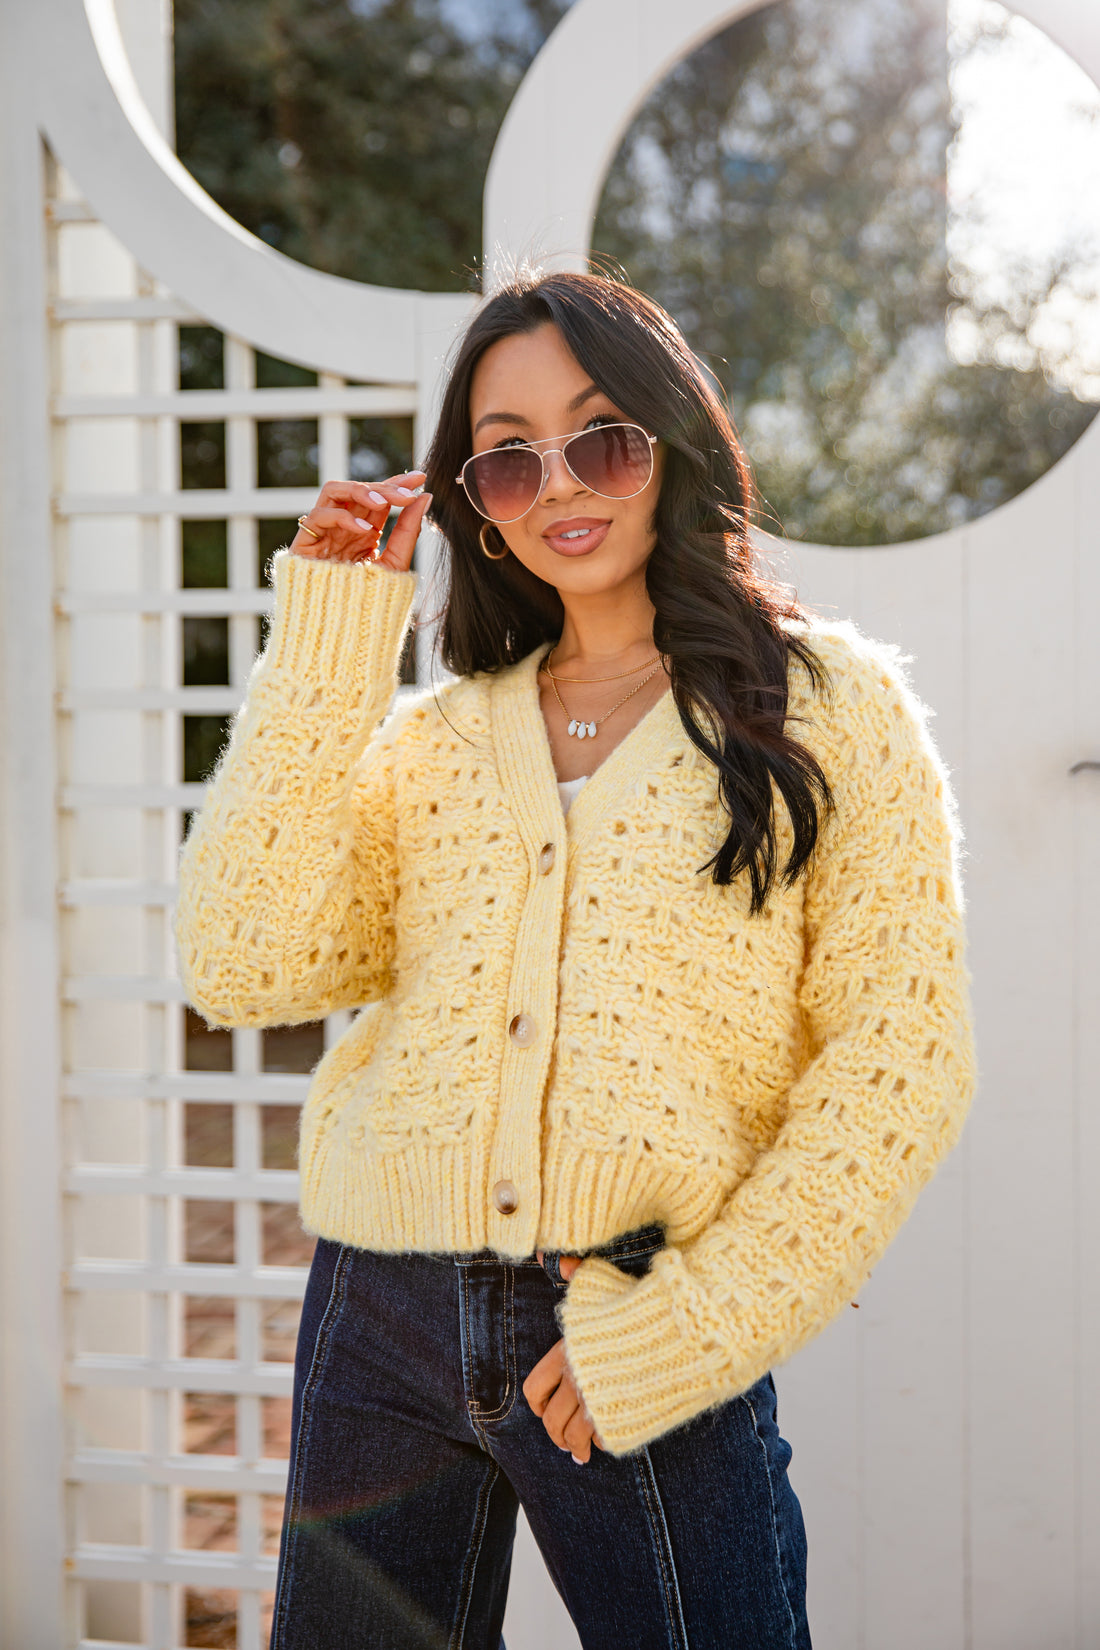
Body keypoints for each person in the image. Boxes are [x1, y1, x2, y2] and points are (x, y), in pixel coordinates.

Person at [174, 270, 976, 1650]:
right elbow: (240, 957)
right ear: (471, 497)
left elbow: (902, 1062)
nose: (562, 482)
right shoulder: (431, 748)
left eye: (602, 435)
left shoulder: (828, 709)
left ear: (670, 438)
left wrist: (690, 1331)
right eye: (508, 455)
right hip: (381, 1310)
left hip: (632, 1313)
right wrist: (326, 644)